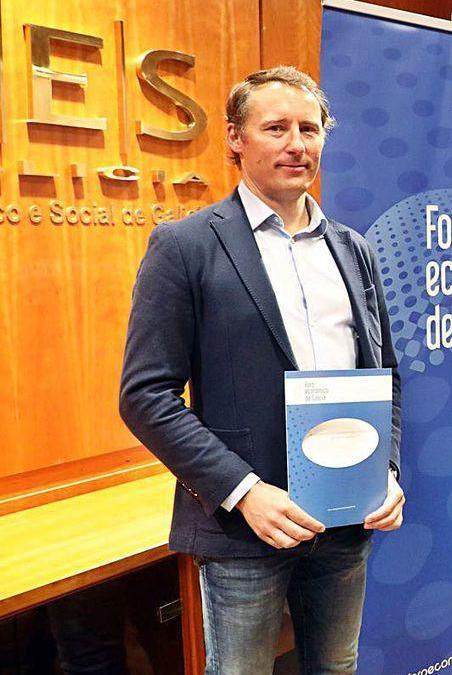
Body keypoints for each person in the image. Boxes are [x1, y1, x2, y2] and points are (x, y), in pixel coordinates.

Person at [119, 66, 404, 673]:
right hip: (244, 529)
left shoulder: (354, 249)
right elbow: (146, 396)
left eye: (310, 127)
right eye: (275, 128)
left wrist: (387, 467)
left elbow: (386, 374)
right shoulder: (185, 247)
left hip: (346, 517)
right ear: (234, 139)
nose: (296, 144)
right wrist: (244, 493)